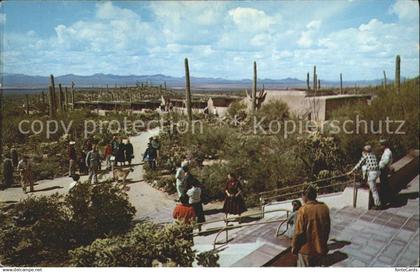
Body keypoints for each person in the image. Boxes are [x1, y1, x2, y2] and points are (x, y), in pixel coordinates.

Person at [292, 185, 330, 267]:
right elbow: (327, 230)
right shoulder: (324, 207)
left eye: (302, 195)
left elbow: (298, 232)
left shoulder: (303, 210)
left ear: (305, 196)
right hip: (320, 249)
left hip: (306, 251)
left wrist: (294, 248)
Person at [348, 145, 381, 209]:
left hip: (372, 173)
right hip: (377, 172)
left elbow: (358, 164)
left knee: (373, 190)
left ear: (365, 151)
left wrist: (351, 171)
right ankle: (365, 179)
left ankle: (378, 205)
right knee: (364, 167)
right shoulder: (373, 155)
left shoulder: (365, 156)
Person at [379, 139, 393, 205]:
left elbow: (386, 161)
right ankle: (388, 199)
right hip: (385, 170)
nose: (380, 147)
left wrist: (380, 166)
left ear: (384, 145)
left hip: (384, 170)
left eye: (381, 145)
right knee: (385, 185)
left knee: (384, 185)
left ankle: (385, 201)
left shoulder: (387, 152)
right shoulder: (386, 151)